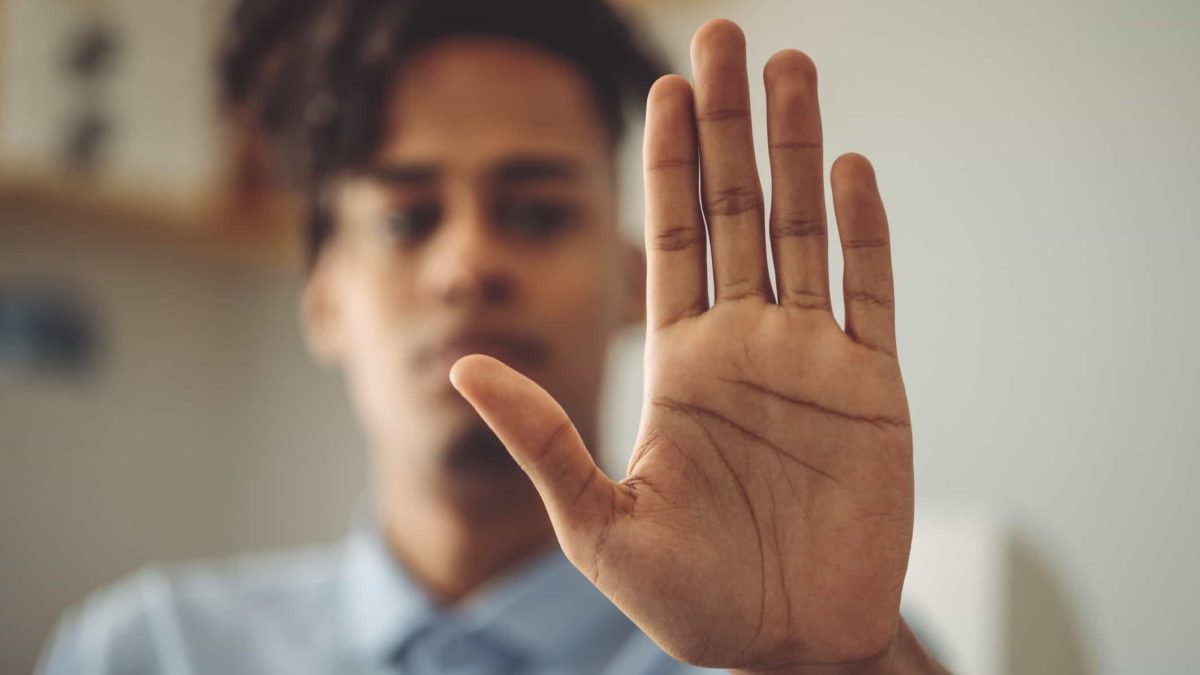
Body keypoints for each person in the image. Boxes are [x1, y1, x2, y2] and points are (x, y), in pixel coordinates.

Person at [38, 0, 949, 673]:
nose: (468, 261)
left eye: (538, 211)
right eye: (406, 219)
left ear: (635, 281)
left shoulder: (811, 647)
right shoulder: (148, 649)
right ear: (323, 302)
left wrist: (833, 665)